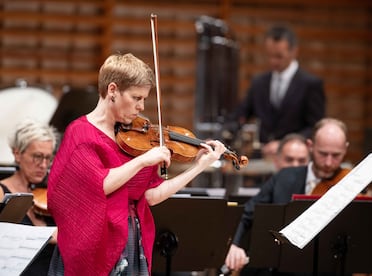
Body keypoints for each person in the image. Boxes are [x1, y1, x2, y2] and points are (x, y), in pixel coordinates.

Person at [46, 53, 226, 276]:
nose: (141, 107)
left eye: (144, 99)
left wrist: (199, 166)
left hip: (131, 240)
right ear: (112, 90)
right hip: (96, 244)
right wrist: (142, 161)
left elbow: (152, 195)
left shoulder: (136, 138)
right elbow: (100, 185)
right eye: (136, 97)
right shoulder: (81, 132)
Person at [225, 117, 351, 274]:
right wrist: (233, 246)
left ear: (345, 149)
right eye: (323, 153)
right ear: (311, 146)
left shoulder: (350, 185)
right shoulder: (284, 177)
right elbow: (246, 214)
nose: (328, 162)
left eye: (336, 155)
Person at [225, 23, 325, 159]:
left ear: (294, 51)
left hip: (294, 159)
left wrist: (285, 144)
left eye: (279, 56)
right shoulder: (259, 82)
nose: (273, 62)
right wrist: (222, 133)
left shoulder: (310, 84)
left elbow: (315, 127)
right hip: (262, 157)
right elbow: (241, 114)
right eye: (269, 56)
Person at [0, 119, 59, 275]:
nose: (43, 165)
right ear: (17, 154)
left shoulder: (49, 192)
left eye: (48, 158)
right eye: (37, 156)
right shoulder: (1, 191)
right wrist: (47, 236)